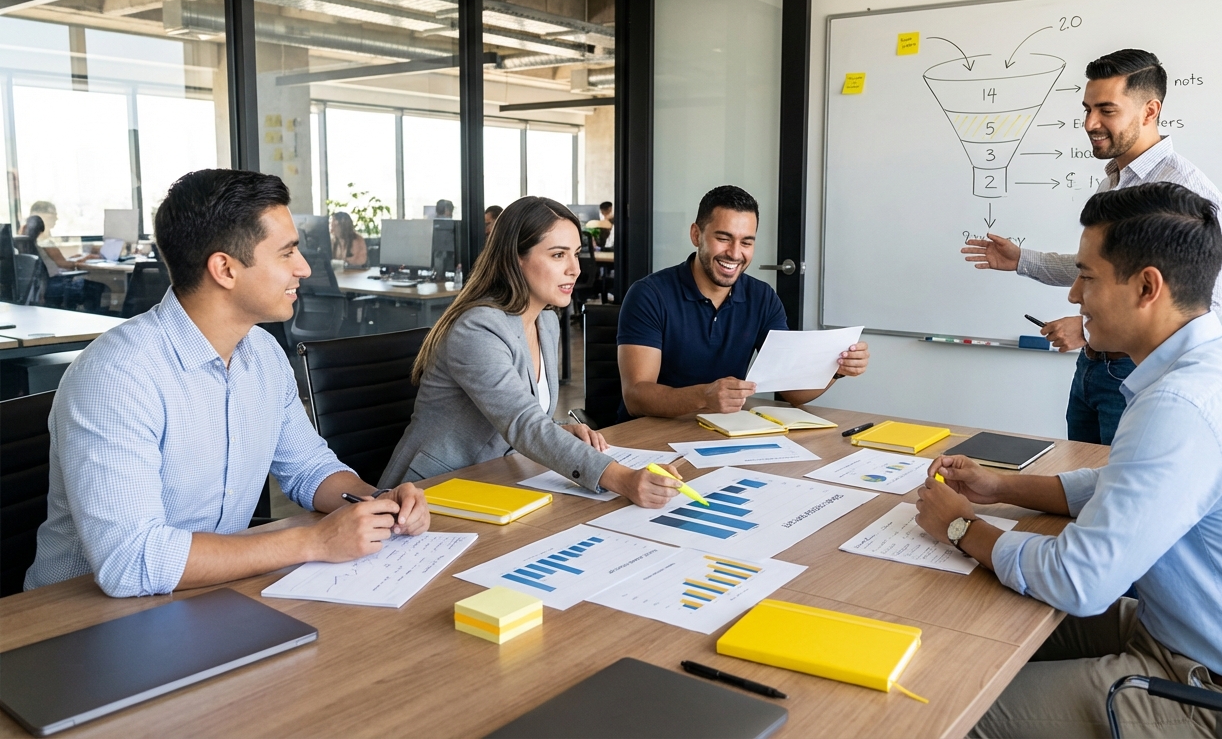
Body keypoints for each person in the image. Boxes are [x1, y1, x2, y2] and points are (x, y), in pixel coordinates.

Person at [916, 183, 1222, 738]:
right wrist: (1000, 487)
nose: (1073, 295)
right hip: (1199, 640)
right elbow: (1128, 483)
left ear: (1147, 287)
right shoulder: (1219, 366)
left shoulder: (1183, 405)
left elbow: (1078, 580)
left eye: (1087, 276)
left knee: (945, 709)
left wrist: (957, 524)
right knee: (968, 629)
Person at [25, 169, 430, 598]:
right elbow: (132, 561)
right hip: (78, 621)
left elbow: (310, 469)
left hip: (210, 594)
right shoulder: (117, 377)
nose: (305, 268)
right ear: (225, 269)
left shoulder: (263, 354)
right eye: (287, 253)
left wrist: (379, 503)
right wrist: (315, 541)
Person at [961, 49, 1222, 445]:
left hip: (1138, 374)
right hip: (1091, 371)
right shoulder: (1115, 180)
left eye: (1106, 110)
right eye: (1087, 109)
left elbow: (1204, 307)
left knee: (1115, 493)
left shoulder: (1187, 192)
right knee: (1080, 487)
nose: (1090, 123)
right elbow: (1105, 269)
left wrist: (1087, 329)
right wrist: (1023, 260)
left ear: (1149, 111)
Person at [379, 195, 684, 508]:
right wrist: (622, 479)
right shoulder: (477, 329)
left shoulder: (546, 322)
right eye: (557, 255)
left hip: (497, 482)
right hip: (428, 495)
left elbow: (523, 417)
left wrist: (558, 431)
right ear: (516, 259)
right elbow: (523, 423)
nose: (575, 269)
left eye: (576, 254)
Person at [617, 185, 869, 422]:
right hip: (648, 435)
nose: (735, 253)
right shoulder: (649, 295)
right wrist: (704, 396)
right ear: (696, 234)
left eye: (746, 242)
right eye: (724, 238)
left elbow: (790, 391)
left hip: (724, 431)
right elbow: (636, 397)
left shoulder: (763, 298)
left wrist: (837, 369)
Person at [24, 213, 106, 312]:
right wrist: (86, 258)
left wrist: (74, 258)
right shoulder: (46, 243)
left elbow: (56, 262)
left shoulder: (31, 244)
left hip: (50, 283)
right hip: (58, 282)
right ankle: (95, 314)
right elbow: (65, 265)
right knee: (97, 285)